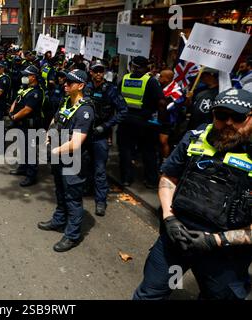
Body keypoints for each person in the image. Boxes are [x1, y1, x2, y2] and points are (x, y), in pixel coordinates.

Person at [134, 88, 252, 300]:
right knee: (154, 292)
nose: (229, 123)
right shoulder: (196, 137)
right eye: (222, 116)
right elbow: (169, 178)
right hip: (177, 241)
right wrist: (169, 219)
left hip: (224, 258)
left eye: (238, 117)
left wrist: (216, 240)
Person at [38, 69, 95, 252]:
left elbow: (76, 143)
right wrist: (47, 138)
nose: (65, 84)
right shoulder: (65, 101)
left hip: (73, 161)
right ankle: (59, 220)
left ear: (81, 86)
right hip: (59, 157)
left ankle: (72, 235)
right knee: (60, 191)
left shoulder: (85, 110)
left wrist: (53, 150)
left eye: (70, 82)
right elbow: (54, 122)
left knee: (72, 198)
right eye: (65, 81)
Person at [85, 62, 127, 216]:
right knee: (85, 164)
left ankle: (100, 201)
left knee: (100, 170)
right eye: (95, 71)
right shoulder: (86, 88)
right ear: (91, 72)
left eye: (101, 71)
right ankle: (87, 188)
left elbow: (123, 111)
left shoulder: (111, 90)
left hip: (100, 135)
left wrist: (107, 126)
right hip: (85, 134)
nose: (98, 74)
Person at [118, 56, 167, 188]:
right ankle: (151, 181)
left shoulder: (125, 79)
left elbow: (116, 98)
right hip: (145, 123)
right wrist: (162, 122)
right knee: (148, 151)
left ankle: (126, 179)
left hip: (125, 121)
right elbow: (162, 103)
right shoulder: (150, 81)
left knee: (126, 151)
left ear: (133, 66)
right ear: (146, 68)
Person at [8, 65, 44, 187]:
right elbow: (16, 100)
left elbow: (27, 110)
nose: (24, 77)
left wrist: (14, 117)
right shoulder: (25, 88)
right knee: (22, 148)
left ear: (33, 77)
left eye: (26, 75)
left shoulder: (36, 92)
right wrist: (11, 111)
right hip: (21, 125)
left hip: (31, 127)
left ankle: (31, 175)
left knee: (30, 151)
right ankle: (23, 168)